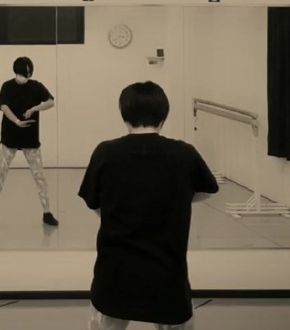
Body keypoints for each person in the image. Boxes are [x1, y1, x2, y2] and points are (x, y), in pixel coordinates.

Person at [78, 81, 219, 329]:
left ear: (124, 115)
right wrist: (175, 201)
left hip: (114, 274)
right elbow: (208, 190)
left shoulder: (106, 152)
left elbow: (94, 202)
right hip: (167, 274)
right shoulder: (184, 154)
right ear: (163, 116)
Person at [0, 56, 59, 227]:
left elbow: (51, 102)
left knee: (39, 176)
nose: (26, 76)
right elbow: (4, 106)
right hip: (9, 137)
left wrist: (34, 109)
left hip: (30, 138)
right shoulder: (7, 86)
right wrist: (16, 121)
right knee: (0, 174)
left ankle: (47, 212)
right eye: (25, 72)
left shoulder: (36, 86)